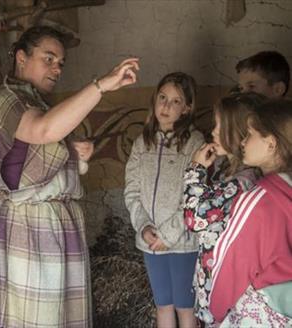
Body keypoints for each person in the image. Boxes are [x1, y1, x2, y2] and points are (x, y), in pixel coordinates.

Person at [0, 25, 139, 327]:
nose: (56, 69)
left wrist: (73, 152)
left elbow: (38, 148)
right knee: (34, 319)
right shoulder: (6, 102)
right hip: (29, 229)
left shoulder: (36, 104)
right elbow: (44, 130)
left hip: (55, 227)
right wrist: (101, 85)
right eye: (48, 59)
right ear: (22, 58)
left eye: (60, 63)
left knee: (60, 318)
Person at [124, 72, 204, 328]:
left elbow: (195, 195)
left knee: (185, 308)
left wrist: (168, 235)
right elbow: (132, 191)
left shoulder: (195, 143)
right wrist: (144, 227)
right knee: (162, 305)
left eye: (176, 101)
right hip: (150, 241)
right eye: (162, 97)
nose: (166, 106)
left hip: (182, 243)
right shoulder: (142, 143)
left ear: (187, 108)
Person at [182, 92, 265, 325]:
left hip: (228, 293)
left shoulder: (242, 182)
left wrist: (196, 170)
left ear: (240, 133)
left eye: (220, 126)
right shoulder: (226, 171)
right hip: (217, 283)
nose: (213, 132)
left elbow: (194, 218)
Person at [209, 99, 292, 326]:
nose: (243, 141)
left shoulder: (259, 199)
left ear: (271, 144)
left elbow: (231, 267)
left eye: (250, 134)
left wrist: (214, 313)